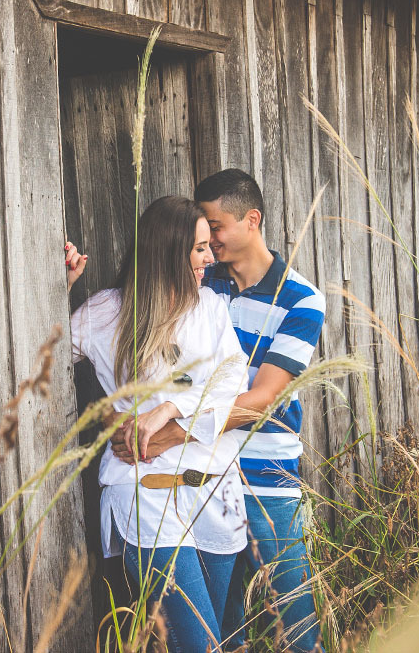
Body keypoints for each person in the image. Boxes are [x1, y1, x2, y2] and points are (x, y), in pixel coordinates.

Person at [111, 169, 326, 652]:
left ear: (252, 220)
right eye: (201, 234)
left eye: (216, 227)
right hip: (202, 483)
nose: (208, 241)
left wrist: (170, 432)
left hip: (267, 479)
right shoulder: (204, 289)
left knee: (294, 621)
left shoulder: (301, 299)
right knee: (222, 628)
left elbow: (262, 400)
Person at [66, 195, 251, 653]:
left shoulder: (208, 308)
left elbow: (236, 389)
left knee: (231, 639)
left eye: (209, 246)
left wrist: (170, 409)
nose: (211, 259)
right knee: (200, 645)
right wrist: (61, 287)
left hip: (213, 492)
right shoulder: (104, 313)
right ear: (169, 250)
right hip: (143, 493)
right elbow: (40, 360)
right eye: (200, 249)